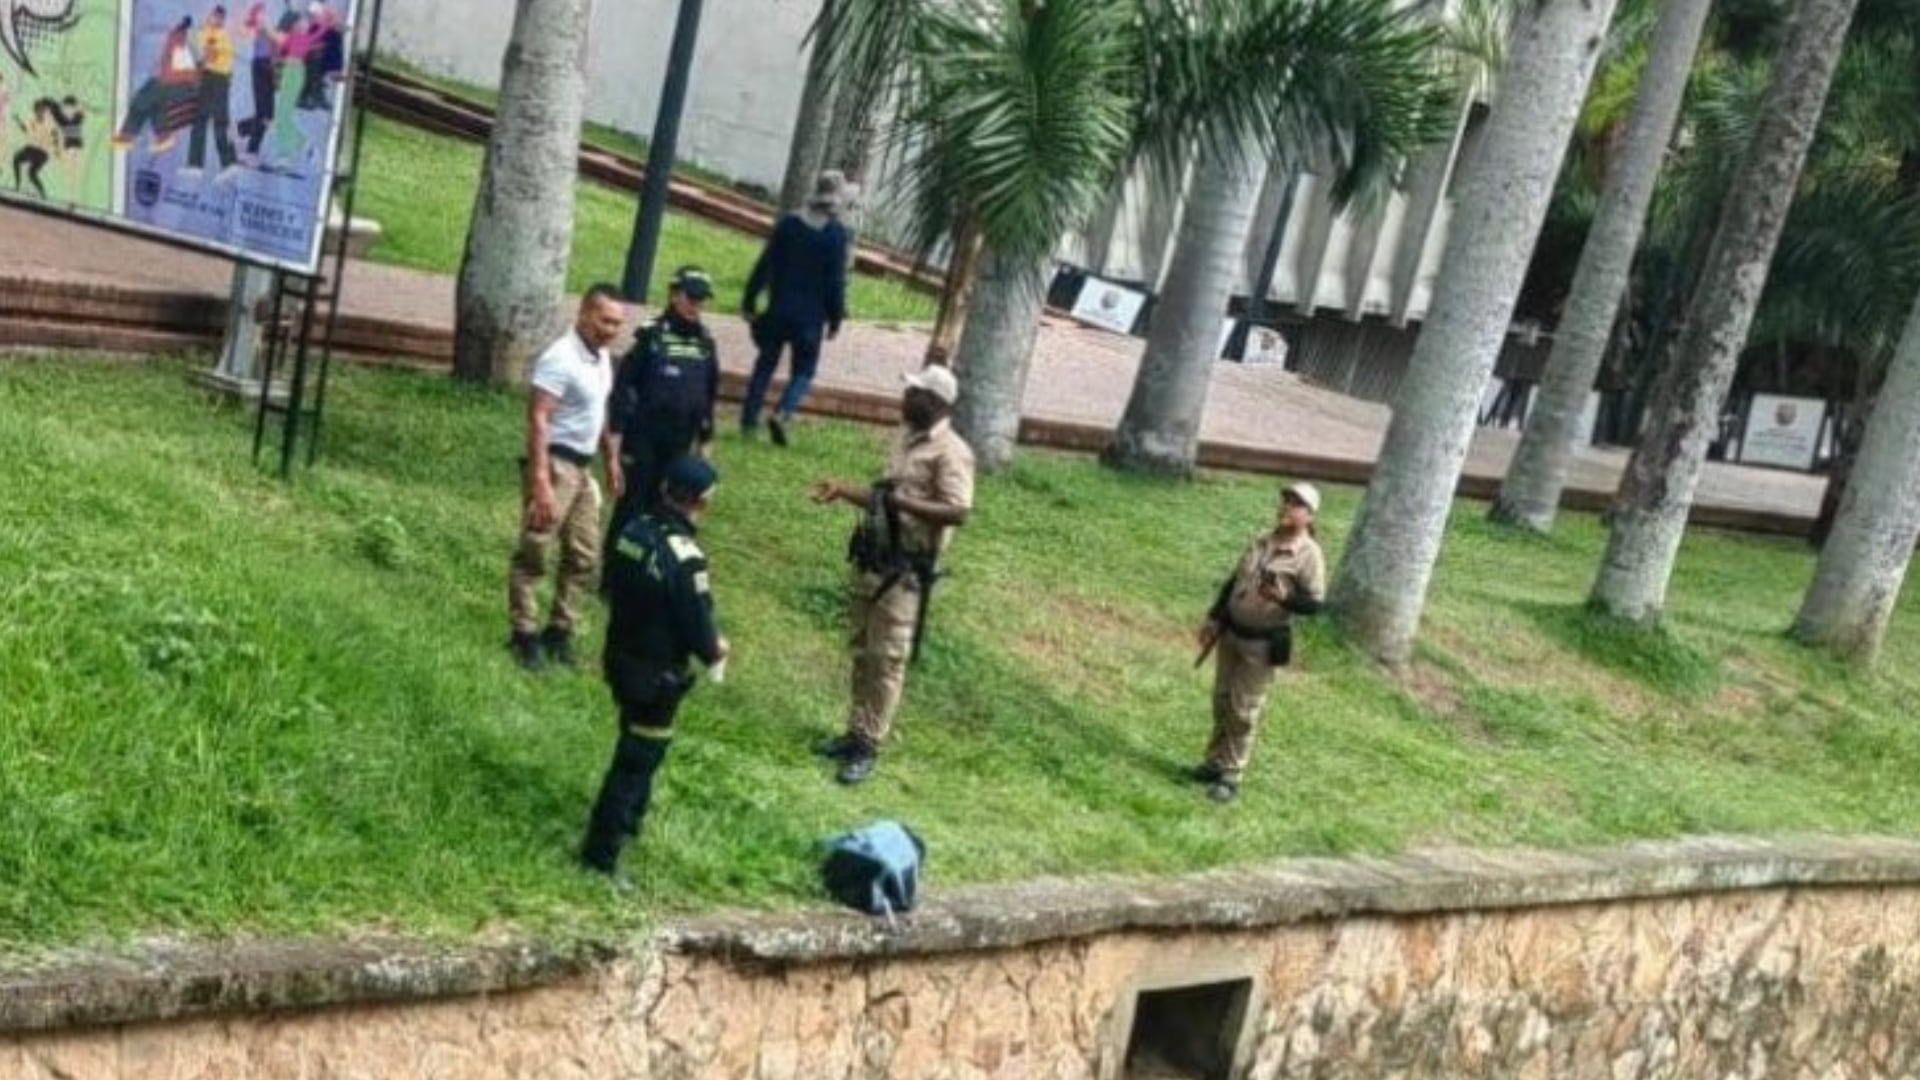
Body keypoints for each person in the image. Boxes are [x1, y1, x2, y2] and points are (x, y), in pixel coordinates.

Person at [811, 366, 976, 785]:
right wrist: (844, 491)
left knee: (887, 661)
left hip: (906, 573)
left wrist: (906, 505)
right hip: (875, 561)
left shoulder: (951, 452)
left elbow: (958, 510)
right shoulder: (905, 436)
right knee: (864, 652)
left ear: (935, 402)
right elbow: (886, 495)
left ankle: (869, 746)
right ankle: (854, 732)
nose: (905, 396)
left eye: (914, 392)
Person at [580, 455, 729, 880]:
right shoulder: (685, 557)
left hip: (620, 657)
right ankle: (601, 854)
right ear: (700, 503)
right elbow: (700, 631)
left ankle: (630, 823)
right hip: (656, 677)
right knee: (636, 760)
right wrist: (717, 647)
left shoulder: (633, 530)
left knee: (635, 741)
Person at [507, 285, 630, 672]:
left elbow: (602, 410)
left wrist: (610, 459)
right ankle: (523, 634)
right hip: (556, 464)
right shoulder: (560, 358)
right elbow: (539, 417)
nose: (611, 329)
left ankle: (559, 632)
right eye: (605, 320)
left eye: (617, 323)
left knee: (583, 554)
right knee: (535, 549)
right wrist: (541, 479)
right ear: (584, 314)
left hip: (583, 468)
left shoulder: (602, 358)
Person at [1191, 482, 1328, 803]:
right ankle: (1213, 763)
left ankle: (1231, 774)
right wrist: (1214, 617)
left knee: (1243, 709)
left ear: (1308, 515)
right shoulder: (1262, 541)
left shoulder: (1310, 555)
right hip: (1232, 632)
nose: (1286, 507)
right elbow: (1233, 582)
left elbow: (1315, 604)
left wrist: (1285, 598)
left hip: (1262, 644)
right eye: (1285, 500)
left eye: (1296, 504)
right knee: (1222, 700)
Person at [606, 266, 720, 547]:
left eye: (701, 300)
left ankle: (650, 567)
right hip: (643, 436)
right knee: (632, 503)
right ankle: (615, 569)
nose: (697, 306)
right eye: (691, 298)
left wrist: (705, 443)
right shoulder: (651, 336)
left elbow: (707, 396)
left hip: (680, 440)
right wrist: (614, 446)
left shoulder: (705, 343)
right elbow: (623, 390)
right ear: (674, 295)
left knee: (667, 508)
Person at [739, 170, 852, 446]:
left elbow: (765, 263)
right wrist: (836, 319)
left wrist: (750, 299)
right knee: (804, 371)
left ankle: (748, 420)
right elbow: (835, 283)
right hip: (810, 319)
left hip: (779, 310)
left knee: (765, 365)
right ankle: (784, 411)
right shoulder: (836, 235)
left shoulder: (789, 224)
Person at [112, 17, 201, 155]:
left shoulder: (182, 49)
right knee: (154, 98)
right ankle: (163, 135)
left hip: (186, 87)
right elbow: (169, 71)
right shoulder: (175, 45)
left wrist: (163, 78)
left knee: (148, 95)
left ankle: (129, 134)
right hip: (178, 85)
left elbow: (185, 74)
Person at [183, 4, 238, 180]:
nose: (215, 19)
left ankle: (224, 164)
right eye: (214, 16)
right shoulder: (211, 32)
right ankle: (199, 165)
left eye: (219, 17)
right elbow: (194, 39)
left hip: (216, 79)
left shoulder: (219, 36)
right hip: (214, 79)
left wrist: (203, 51)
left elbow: (208, 55)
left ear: (222, 20)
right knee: (207, 121)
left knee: (213, 120)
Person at [11, 99, 58, 199]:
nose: (40, 113)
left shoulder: (48, 123)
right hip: (31, 149)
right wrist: (18, 120)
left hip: (42, 153)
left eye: (42, 111)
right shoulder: (32, 120)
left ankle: (43, 193)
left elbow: (54, 133)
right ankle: (17, 185)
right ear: (35, 111)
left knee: (31, 173)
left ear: (44, 112)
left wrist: (56, 147)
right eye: (38, 111)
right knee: (17, 159)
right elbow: (25, 129)